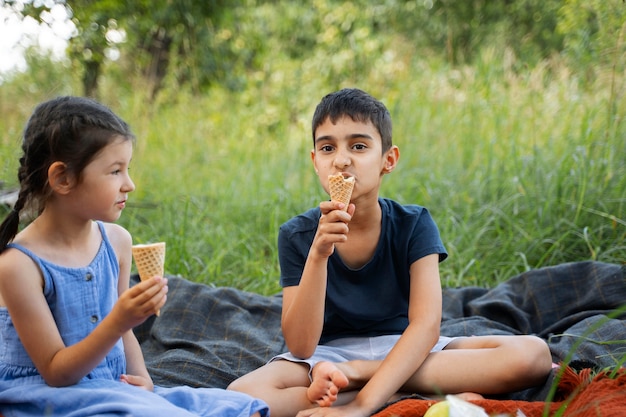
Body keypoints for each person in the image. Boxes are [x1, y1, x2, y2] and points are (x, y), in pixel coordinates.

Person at [227, 88, 553, 417]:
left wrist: (360, 403)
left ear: (388, 159)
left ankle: (367, 384)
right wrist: (318, 255)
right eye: (327, 148)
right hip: (328, 356)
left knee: (533, 355)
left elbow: (426, 327)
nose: (341, 160)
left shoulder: (415, 224)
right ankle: (412, 393)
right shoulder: (296, 235)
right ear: (315, 162)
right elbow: (300, 346)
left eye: (359, 146)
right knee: (242, 394)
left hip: (407, 349)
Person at [0, 96, 269, 417]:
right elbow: (56, 373)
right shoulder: (19, 265)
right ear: (63, 178)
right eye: (115, 171)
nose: (130, 184)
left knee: (240, 408)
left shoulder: (116, 241)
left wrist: (144, 380)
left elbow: (125, 333)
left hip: (111, 384)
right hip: (48, 394)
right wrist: (119, 320)